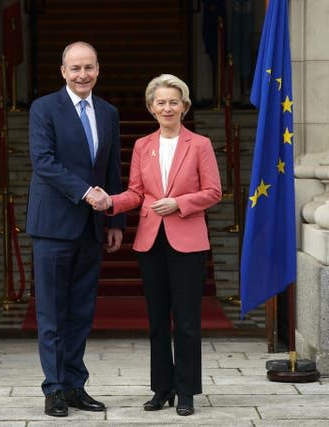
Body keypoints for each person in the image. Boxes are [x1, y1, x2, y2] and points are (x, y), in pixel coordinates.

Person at [89, 74, 222, 416]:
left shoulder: (200, 144)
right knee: (158, 320)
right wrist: (110, 203)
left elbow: (213, 192)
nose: (167, 107)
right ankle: (162, 388)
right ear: (151, 108)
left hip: (188, 242)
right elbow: (136, 193)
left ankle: (187, 391)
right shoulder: (142, 146)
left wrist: (179, 204)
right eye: (160, 102)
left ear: (185, 106)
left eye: (173, 102)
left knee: (188, 321)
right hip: (151, 242)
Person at [26, 41, 125, 417]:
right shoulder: (44, 108)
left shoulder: (108, 112)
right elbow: (44, 162)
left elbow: (112, 168)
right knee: (52, 312)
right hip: (53, 226)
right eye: (75, 68)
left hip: (92, 227)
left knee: (81, 312)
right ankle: (53, 389)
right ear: (63, 72)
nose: (82, 74)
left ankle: (74, 386)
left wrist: (115, 217)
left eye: (89, 67)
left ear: (98, 69)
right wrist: (87, 194)